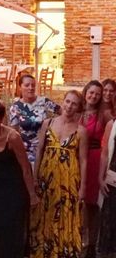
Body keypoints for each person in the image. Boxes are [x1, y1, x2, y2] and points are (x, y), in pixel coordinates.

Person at [29, 90, 88, 258]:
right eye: (67, 101)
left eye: (74, 103)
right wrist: (35, 177)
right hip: (47, 177)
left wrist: (83, 187)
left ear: (78, 107)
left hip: (69, 179)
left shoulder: (81, 131)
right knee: (45, 214)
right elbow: (39, 151)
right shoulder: (48, 123)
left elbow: (83, 160)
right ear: (62, 102)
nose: (69, 106)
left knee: (67, 214)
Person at [0, 101, 37, 258]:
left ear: (2, 118)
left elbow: (26, 168)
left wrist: (32, 195)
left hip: (14, 190)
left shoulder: (13, 137)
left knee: (12, 233)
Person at [81, 80, 108, 257]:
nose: (94, 96)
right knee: (78, 201)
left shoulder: (103, 115)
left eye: (97, 94)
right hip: (78, 158)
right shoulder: (77, 111)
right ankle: (78, 238)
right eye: (91, 92)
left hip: (95, 158)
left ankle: (91, 243)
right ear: (85, 93)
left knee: (93, 204)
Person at [9, 73, 60, 164]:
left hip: (46, 146)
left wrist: (56, 126)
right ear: (20, 87)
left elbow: (63, 112)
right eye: (27, 85)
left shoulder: (44, 102)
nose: (31, 88)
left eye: (33, 85)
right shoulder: (15, 107)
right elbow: (15, 132)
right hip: (26, 150)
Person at [98, 110, 116, 255]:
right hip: (112, 181)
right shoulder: (112, 124)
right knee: (108, 224)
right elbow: (105, 153)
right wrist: (100, 177)